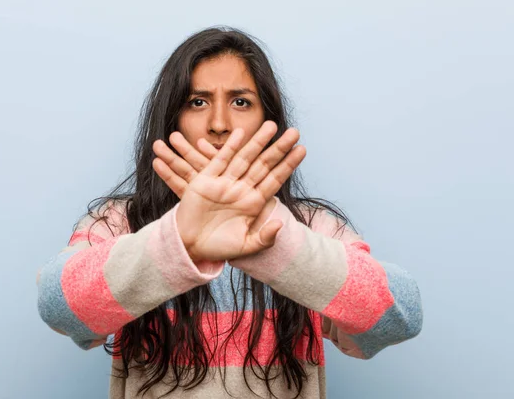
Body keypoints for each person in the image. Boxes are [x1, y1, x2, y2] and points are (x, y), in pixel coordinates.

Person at [36, 26, 423, 399]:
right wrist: (178, 239)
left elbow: (400, 317)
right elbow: (57, 306)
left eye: (241, 102)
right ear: (172, 117)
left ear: (267, 121)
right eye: (197, 101)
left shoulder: (309, 226)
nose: (219, 124)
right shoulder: (123, 222)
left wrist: (279, 247)